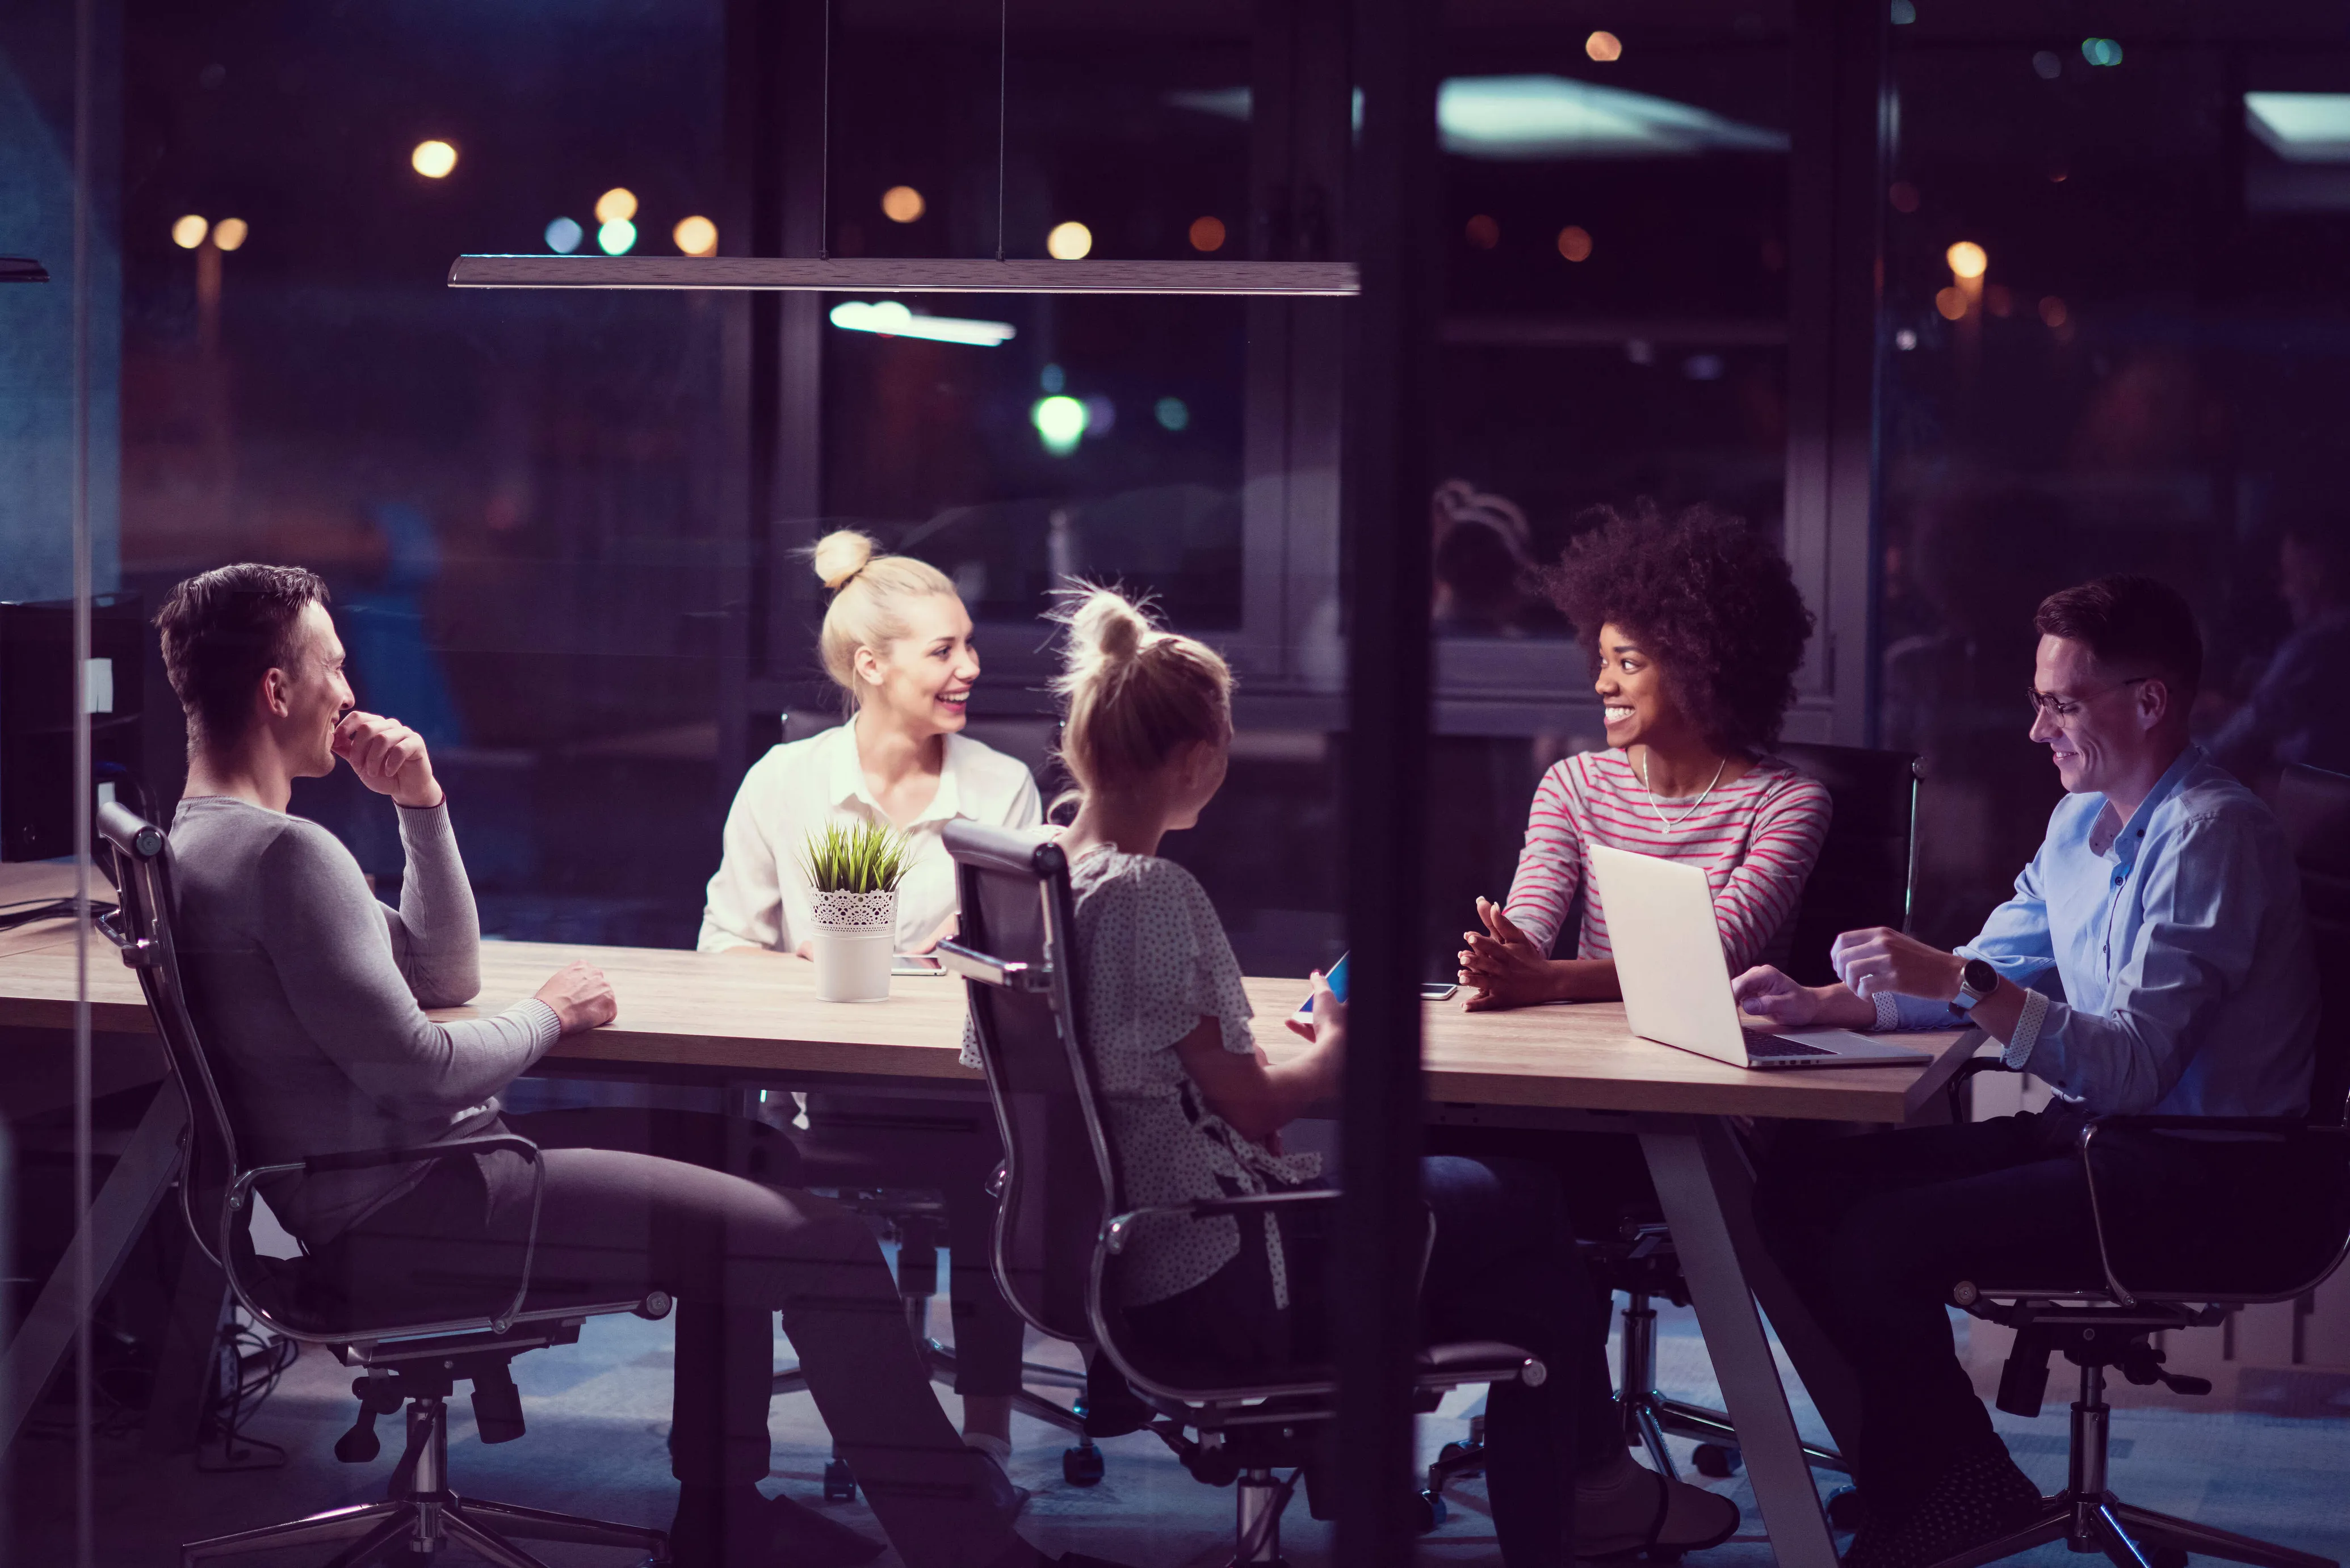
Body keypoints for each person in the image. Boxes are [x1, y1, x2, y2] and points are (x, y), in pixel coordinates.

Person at [156, 563, 1118, 1568]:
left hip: (374, 1196)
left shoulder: (198, 845)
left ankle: (726, 1513)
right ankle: (968, 1551)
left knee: (753, 1154)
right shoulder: (288, 857)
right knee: (825, 1244)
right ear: (277, 691)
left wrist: (422, 805)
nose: (350, 692)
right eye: (334, 668)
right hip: (418, 1208)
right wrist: (550, 1015)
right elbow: (424, 1070)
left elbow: (441, 973)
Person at [972, 585, 1739, 1567]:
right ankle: (1579, 1499)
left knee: (1537, 1297)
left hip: (1105, 1263)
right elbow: (1254, 1106)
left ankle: (1574, 1496)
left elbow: (1115, 1079)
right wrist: (1337, 1044)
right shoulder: (1152, 890)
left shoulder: (1036, 879)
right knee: (1532, 1206)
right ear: (1197, 758)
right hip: (1217, 1266)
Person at [1732, 574, 2320, 1568]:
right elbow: (1987, 966)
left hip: (2212, 1175)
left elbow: (2127, 1063)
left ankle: (1956, 1489)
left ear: (2150, 700)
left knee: (1878, 1240)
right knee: (1798, 1187)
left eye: (2062, 702)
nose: (2038, 729)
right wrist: (1828, 1003)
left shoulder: (2213, 836)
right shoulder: (2080, 823)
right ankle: (1934, 1480)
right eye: (2038, 700)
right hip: (2111, 1139)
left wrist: (1961, 979)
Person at [699, 528, 1040, 1462]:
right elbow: (723, 946)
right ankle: (729, 1460)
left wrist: (972, 955)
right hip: (818, 1095)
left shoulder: (1001, 787)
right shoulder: (786, 782)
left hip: (958, 1094)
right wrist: (809, 967)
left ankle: (986, 1434)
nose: (970, 666)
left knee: (991, 1159)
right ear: (870, 664)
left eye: (969, 643)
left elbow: (1019, 964)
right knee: (733, 1177)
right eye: (945, 649)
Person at [1459, 501, 1831, 1013]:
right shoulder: (1573, 784)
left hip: (1724, 1063)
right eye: (1603, 659)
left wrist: (1547, 981)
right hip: (1595, 1052)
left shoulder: (1787, 804)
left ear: (1699, 669)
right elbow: (1532, 921)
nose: (1602, 683)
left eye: (1628, 663)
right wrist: (1506, 954)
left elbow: (1712, 958)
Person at [2209, 516, 2350, 788]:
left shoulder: (2321, 642)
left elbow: (2255, 723)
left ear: (2316, 574)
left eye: (2289, 576)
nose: (2284, 593)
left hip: (2315, 803)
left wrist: (2187, 769)